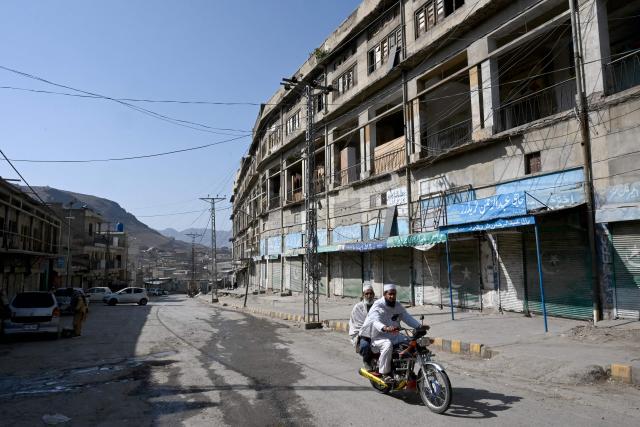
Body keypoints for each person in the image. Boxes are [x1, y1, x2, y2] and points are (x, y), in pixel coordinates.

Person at [361, 283, 422, 384]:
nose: (392, 296)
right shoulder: (378, 305)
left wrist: (419, 326)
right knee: (387, 344)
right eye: (390, 294)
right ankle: (385, 374)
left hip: (393, 334)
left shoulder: (397, 305)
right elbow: (375, 321)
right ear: (385, 294)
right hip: (377, 336)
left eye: (394, 294)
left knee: (411, 343)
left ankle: (408, 371)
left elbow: (406, 317)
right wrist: (384, 328)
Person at [348, 283, 375, 368]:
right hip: (363, 334)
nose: (369, 295)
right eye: (367, 294)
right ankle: (366, 360)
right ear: (363, 295)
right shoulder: (358, 307)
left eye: (371, 293)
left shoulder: (377, 305)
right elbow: (357, 325)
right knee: (365, 345)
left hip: (378, 332)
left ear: (373, 294)